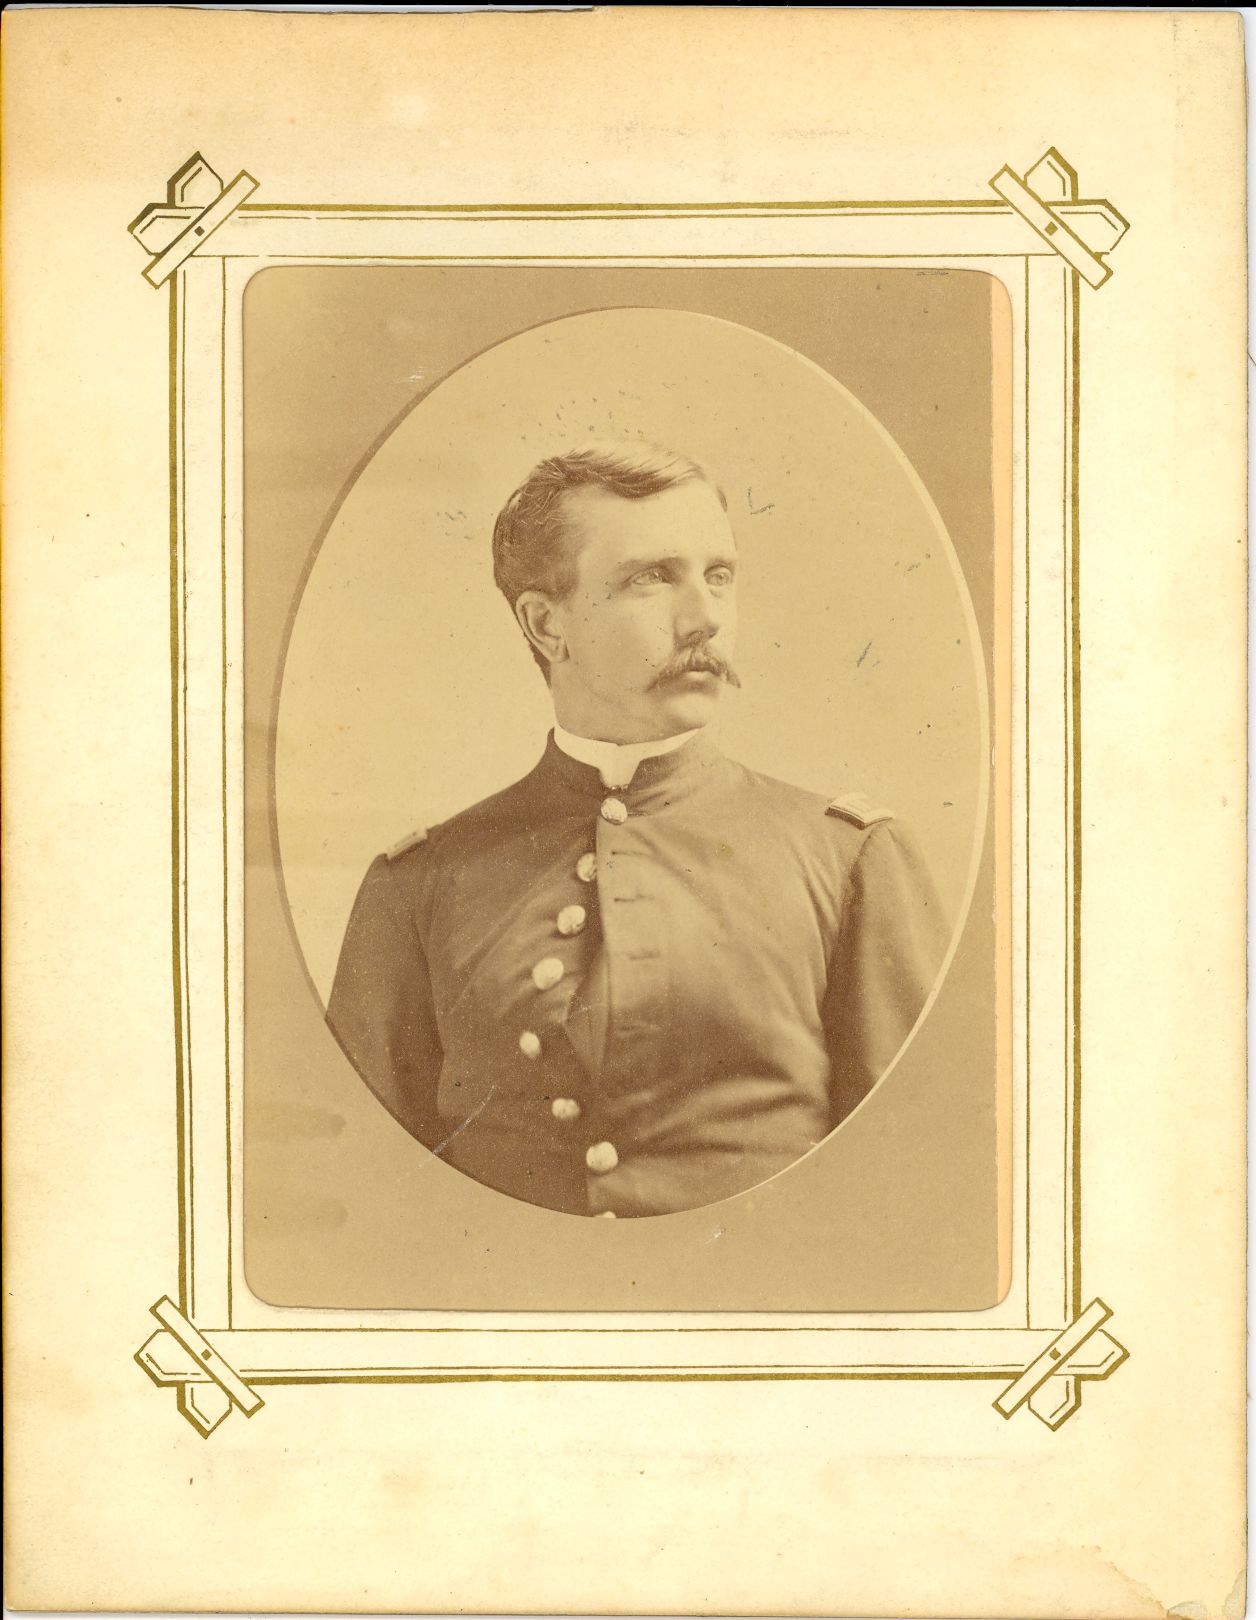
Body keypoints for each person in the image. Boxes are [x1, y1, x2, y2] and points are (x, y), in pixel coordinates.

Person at [326, 441, 949, 1219]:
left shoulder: (848, 859)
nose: (705, 618)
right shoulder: (418, 885)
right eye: (652, 577)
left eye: (718, 576)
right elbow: (362, 1205)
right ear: (545, 625)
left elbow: (916, 1193)